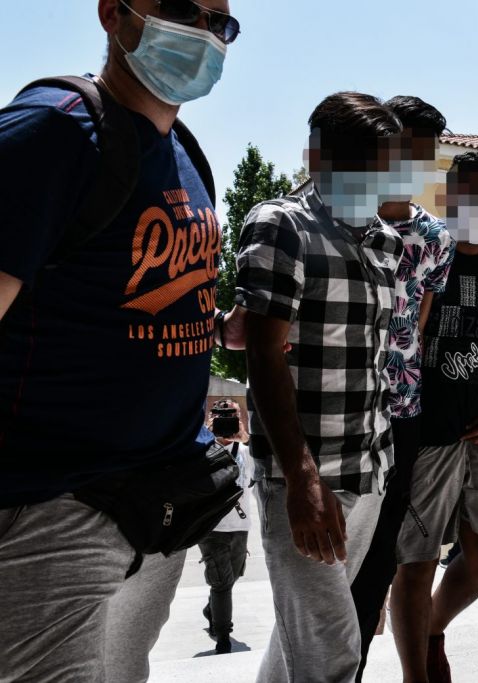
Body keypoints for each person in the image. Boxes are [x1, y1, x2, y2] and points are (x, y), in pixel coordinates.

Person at [0, 1, 239, 680]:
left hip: (160, 507)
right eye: (180, 9)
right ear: (114, 14)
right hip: (57, 506)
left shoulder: (185, 152)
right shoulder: (53, 130)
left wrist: (218, 325)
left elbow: (127, 292)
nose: (202, 34)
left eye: (220, 23)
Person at [236, 91, 404, 683]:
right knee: (331, 652)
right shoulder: (280, 224)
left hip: (368, 470)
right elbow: (262, 353)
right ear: (316, 157)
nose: (374, 180)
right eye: (360, 164)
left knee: (300, 643)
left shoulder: (387, 242)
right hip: (304, 476)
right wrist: (302, 479)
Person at [389, 150, 478, 683]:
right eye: (473, 195)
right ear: (449, 197)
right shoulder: (425, 252)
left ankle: (432, 629)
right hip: (428, 433)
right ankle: (415, 675)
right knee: (417, 560)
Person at [351, 95, 455, 678]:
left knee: (379, 562)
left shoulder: (434, 237)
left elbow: (419, 320)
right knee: (329, 564)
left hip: (402, 412)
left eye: (425, 154)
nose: (416, 164)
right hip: (341, 411)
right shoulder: (343, 218)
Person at [198, 399, 254, 655]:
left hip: (240, 526)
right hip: (211, 528)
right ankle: (223, 637)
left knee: (231, 579)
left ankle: (212, 609)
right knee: (221, 583)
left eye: (231, 415)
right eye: (220, 416)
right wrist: (206, 437)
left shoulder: (246, 452)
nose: (226, 420)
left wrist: (246, 437)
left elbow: (262, 471)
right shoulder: (200, 451)